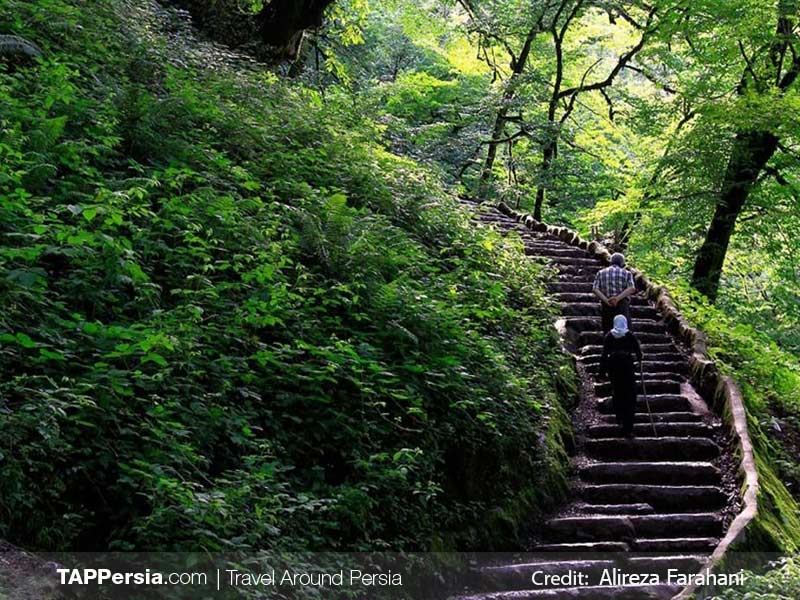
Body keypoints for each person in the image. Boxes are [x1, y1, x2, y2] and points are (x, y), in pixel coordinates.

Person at [599, 315, 643, 437]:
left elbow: (604, 355)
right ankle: (628, 427)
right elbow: (639, 354)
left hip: (613, 367)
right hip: (627, 367)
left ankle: (619, 419)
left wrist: (601, 373)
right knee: (630, 395)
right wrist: (639, 358)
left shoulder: (609, 336)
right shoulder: (630, 336)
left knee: (617, 392)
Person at [593, 252, 636, 333]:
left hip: (606, 304)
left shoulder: (601, 272)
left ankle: (609, 344)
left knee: (608, 328)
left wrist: (606, 300)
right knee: (624, 328)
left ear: (610, 262)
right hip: (622, 304)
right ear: (622, 263)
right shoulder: (627, 273)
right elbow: (632, 288)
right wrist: (617, 298)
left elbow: (595, 289)